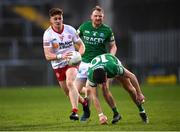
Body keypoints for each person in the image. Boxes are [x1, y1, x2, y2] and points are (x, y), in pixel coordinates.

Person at [75, 5, 121, 123]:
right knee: (74, 90)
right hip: (84, 62)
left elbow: (113, 46)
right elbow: (74, 38)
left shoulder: (107, 30)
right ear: (91, 16)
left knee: (104, 90)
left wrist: (111, 57)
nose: (97, 18)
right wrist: (78, 52)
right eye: (95, 16)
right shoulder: (84, 26)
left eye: (100, 16)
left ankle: (114, 113)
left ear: (103, 17)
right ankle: (86, 107)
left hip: (99, 64)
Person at [43, 8, 89, 120]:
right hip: (58, 65)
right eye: (55, 19)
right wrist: (60, 56)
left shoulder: (70, 30)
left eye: (60, 18)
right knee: (68, 92)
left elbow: (82, 46)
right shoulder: (48, 34)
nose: (58, 21)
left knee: (70, 82)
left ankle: (75, 112)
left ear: (62, 18)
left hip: (72, 62)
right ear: (51, 20)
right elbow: (47, 55)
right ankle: (85, 102)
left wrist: (78, 55)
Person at [86, 53, 149, 124]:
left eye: (104, 81)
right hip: (100, 66)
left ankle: (142, 111)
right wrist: (100, 115)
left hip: (111, 61)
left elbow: (132, 76)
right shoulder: (90, 75)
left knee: (129, 88)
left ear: (106, 75)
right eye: (100, 83)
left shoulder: (114, 67)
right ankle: (116, 113)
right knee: (105, 90)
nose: (103, 84)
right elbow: (94, 96)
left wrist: (139, 93)